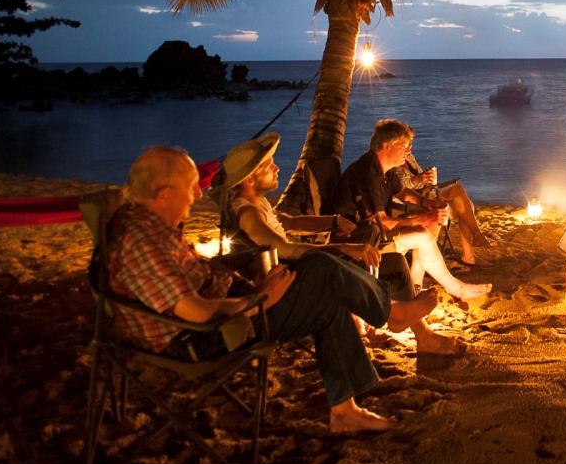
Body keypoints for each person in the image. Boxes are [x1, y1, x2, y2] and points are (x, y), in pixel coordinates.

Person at [109, 146, 436, 434]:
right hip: (206, 334)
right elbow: (196, 312)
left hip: (231, 301)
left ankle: (344, 412)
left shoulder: (152, 223)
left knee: (328, 300)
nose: (198, 194)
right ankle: (391, 312)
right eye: (190, 186)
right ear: (164, 195)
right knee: (321, 267)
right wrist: (259, 298)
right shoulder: (143, 242)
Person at [222, 132, 466, 357]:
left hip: (299, 272)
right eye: (268, 166)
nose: (276, 168)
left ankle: (421, 334)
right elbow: (285, 249)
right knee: (365, 243)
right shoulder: (248, 213)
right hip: (292, 284)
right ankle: (389, 312)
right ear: (249, 178)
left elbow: (289, 222)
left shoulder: (257, 203)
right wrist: (343, 248)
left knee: (395, 262)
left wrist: (334, 220)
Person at [338, 118, 491, 306]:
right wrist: (422, 218)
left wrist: (427, 203)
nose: (407, 151)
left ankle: (415, 286)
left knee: (425, 229)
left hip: (374, 232)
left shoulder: (386, 169)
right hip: (359, 241)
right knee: (422, 235)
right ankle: (454, 288)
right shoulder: (368, 173)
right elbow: (381, 222)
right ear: (386, 146)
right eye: (403, 146)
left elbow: (402, 192)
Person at [395, 150, 491, 266]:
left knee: (461, 198)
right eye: (405, 144)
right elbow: (396, 188)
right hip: (409, 204)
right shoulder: (392, 162)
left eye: (410, 144)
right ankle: (472, 245)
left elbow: (423, 183)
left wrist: (429, 179)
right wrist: (418, 179)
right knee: (463, 204)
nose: (408, 148)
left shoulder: (409, 157)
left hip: (427, 194)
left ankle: (471, 251)